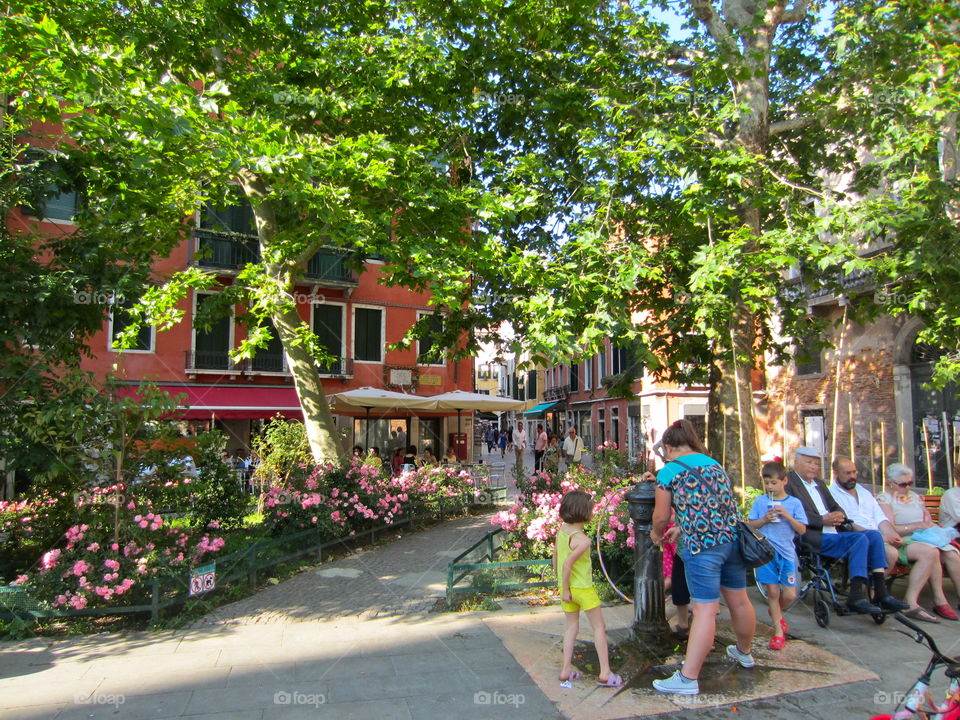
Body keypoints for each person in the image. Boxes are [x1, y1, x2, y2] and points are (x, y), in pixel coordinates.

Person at [651, 419, 755, 696]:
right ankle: (744, 652)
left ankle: (688, 678)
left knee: (705, 610)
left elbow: (660, 515)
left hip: (702, 548)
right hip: (732, 541)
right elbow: (711, 508)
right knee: (739, 600)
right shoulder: (714, 465)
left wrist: (656, 532)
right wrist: (681, 526)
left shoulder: (669, 471)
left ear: (670, 447)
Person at [786, 446, 909, 615]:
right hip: (812, 535)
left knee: (873, 535)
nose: (814, 467)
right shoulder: (789, 483)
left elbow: (835, 505)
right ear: (796, 462)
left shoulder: (819, 484)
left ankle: (881, 592)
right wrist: (821, 520)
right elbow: (789, 512)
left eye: (816, 464)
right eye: (809, 463)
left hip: (835, 532)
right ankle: (856, 596)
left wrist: (838, 514)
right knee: (859, 539)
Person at [830, 457, 951, 623]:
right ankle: (874, 593)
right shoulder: (832, 494)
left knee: (930, 552)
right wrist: (882, 536)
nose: (853, 476)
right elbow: (847, 523)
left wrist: (891, 533)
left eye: (854, 472)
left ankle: (910, 602)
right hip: (859, 538)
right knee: (890, 553)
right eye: (847, 473)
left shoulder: (864, 492)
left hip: (881, 535)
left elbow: (881, 519)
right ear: (836, 474)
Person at [553, 490, 621, 688]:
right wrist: (567, 589)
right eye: (591, 509)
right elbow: (568, 565)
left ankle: (566, 669)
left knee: (571, 627)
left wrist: (562, 587)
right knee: (599, 627)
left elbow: (557, 557)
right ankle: (605, 672)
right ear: (584, 512)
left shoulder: (563, 531)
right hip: (582, 588)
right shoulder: (583, 540)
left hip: (566, 589)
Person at [878, 463, 960, 620]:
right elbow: (891, 528)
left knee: (951, 554)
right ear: (890, 482)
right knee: (932, 552)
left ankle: (947, 600)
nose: (908, 487)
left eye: (910, 483)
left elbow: (927, 519)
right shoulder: (884, 499)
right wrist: (917, 526)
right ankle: (935, 600)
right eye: (903, 484)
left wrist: (928, 525)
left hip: (925, 537)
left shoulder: (914, 497)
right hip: (903, 540)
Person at [747, 462, 808, 650]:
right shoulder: (761, 502)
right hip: (766, 551)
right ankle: (778, 633)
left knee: (789, 594)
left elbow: (802, 529)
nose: (770, 487)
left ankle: (777, 615)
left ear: (784, 481)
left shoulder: (794, 503)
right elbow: (750, 525)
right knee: (772, 592)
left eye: (774, 482)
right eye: (767, 483)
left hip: (787, 552)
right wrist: (764, 519)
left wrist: (787, 516)